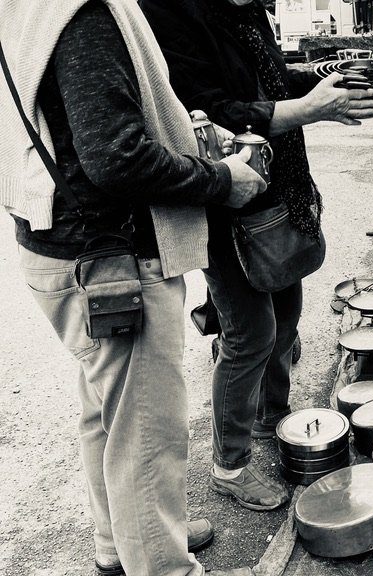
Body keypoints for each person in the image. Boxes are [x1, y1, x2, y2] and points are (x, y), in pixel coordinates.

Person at [0, 1, 266, 575]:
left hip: (60, 246)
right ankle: (162, 564)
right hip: (108, 259)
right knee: (148, 436)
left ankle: (121, 544)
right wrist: (221, 179)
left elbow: (80, 128)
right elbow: (115, 158)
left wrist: (179, 126)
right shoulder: (85, 11)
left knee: (108, 417)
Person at [140, 0, 373, 512]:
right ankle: (230, 464)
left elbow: (266, 77)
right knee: (250, 334)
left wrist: (324, 80)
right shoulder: (170, 12)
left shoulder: (245, 12)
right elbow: (213, 115)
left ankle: (273, 417)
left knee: (286, 316)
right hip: (224, 195)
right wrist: (314, 109)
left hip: (278, 188)